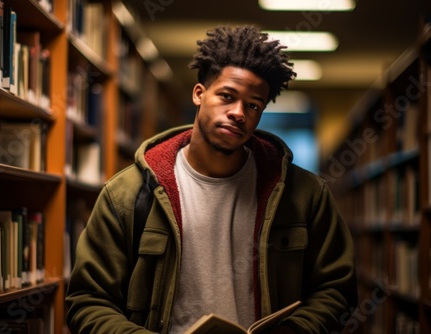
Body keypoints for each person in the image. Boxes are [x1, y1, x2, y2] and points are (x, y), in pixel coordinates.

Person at [66, 25, 358, 334]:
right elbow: (88, 301)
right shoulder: (127, 195)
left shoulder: (305, 195)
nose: (238, 112)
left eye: (253, 105)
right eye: (227, 96)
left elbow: (337, 290)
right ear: (199, 94)